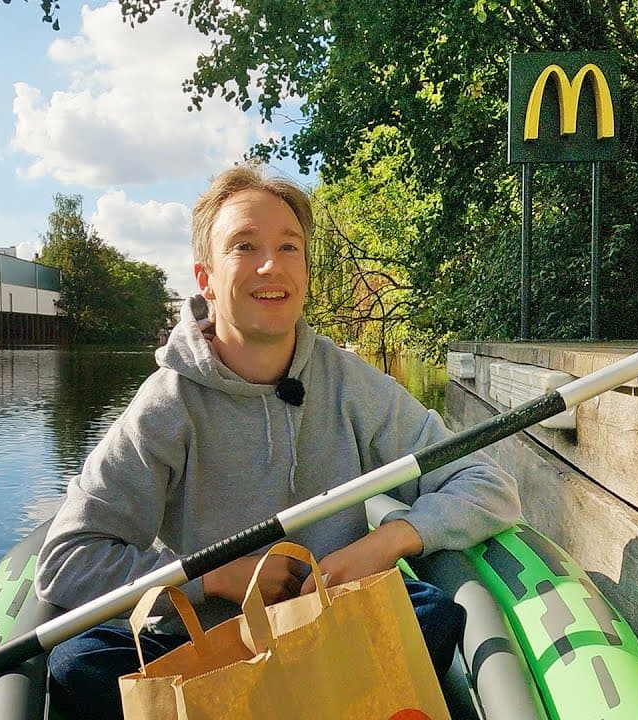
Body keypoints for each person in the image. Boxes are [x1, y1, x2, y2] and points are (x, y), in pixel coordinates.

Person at [35, 164, 521, 719]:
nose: (272, 266)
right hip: (203, 653)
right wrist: (216, 577)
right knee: (78, 663)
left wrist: (380, 546)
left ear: (307, 271)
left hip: (325, 636)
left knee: (429, 612)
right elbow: (66, 560)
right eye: (245, 246)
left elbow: (486, 483)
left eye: (289, 247)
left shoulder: (349, 383)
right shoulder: (166, 404)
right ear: (206, 277)